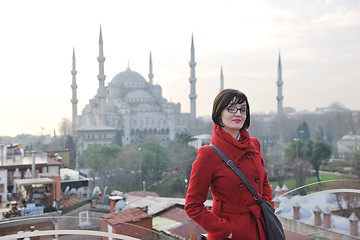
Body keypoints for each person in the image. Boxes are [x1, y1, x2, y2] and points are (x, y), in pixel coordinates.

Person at [185, 89, 274, 240]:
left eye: (243, 110)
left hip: (259, 226)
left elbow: (263, 180)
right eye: (231, 109)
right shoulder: (208, 154)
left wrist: (268, 205)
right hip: (231, 233)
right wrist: (226, 230)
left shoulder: (254, 144)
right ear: (219, 113)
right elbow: (192, 206)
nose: (238, 114)